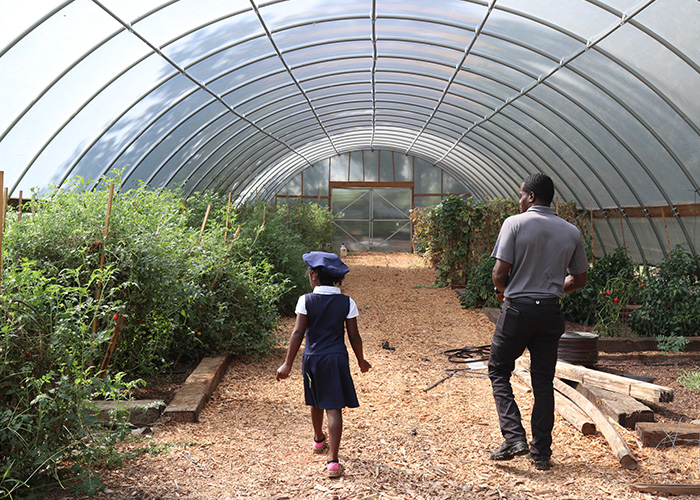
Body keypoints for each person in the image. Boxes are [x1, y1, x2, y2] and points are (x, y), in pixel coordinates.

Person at [488, 172, 588, 471]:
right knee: (543, 381)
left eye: (521, 194)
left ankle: (514, 437)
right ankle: (541, 452)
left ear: (530, 196)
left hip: (517, 311)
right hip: (549, 313)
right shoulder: (571, 231)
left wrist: (504, 293)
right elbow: (580, 278)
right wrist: (556, 289)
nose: (519, 200)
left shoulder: (514, 224)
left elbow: (498, 273)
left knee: (498, 369)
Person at [276, 251, 371, 478]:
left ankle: (319, 440)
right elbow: (354, 337)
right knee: (334, 406)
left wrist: (287, 364)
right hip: (337, 358)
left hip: (313, 359)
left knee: (316, 400)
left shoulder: (305, 300)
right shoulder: (347, 302)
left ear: (313, 276)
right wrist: (361, 360)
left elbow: (298, 333)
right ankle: (333, 462)